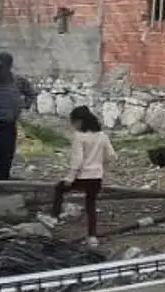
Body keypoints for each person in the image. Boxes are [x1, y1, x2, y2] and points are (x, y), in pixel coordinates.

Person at [37, 106, 114, 247]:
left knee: (59, 189)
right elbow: (111, 156)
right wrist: (101, 167)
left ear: (79, 121)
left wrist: (70, 177)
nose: (72, 125)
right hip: (96, 176)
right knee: (91, 205)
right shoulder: (102, 136)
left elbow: (77, 160)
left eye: (73, 122)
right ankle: (92, 236)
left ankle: (54, 217)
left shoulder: (79, 137)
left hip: (82, 176)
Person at [0, 52, 34, 180]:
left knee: (6, 154)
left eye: (1, 67)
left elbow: (30, 94)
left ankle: (2, 181)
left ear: (9, 66)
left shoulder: (18, 81)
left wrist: (24, 105)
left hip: (9, 124)